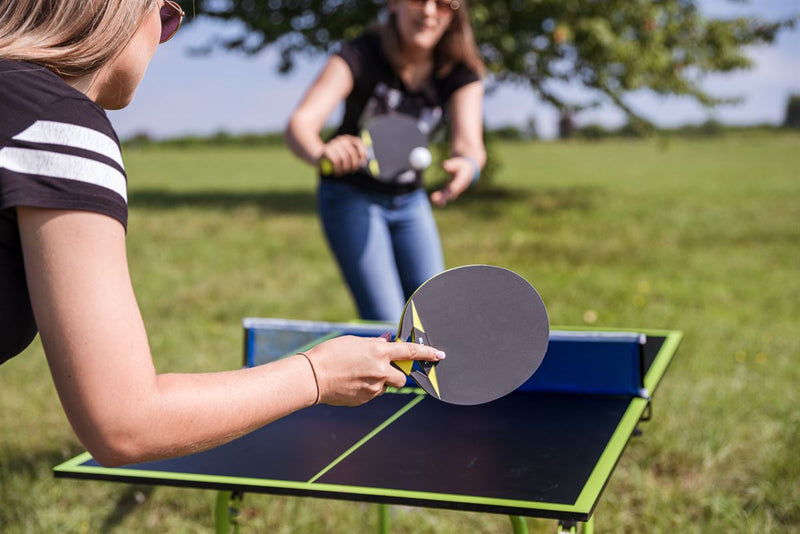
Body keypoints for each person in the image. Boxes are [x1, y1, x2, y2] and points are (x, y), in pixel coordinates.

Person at [0, 0, 444, 467]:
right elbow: (125, 422)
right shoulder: (59, 124)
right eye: (166, 15)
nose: (162, 38)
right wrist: (318, 374)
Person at [285, 0, 487, 322]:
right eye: (418, 0)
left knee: (433, 317)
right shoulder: (360, 54)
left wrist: (468, 167)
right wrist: (321, 152)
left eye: (445, 3)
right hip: (350, 197)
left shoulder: (460, 72)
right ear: (394, 3)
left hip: (410, 201)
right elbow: (300, 124)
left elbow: (470, 146)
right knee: (387, 320)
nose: (430, 11)